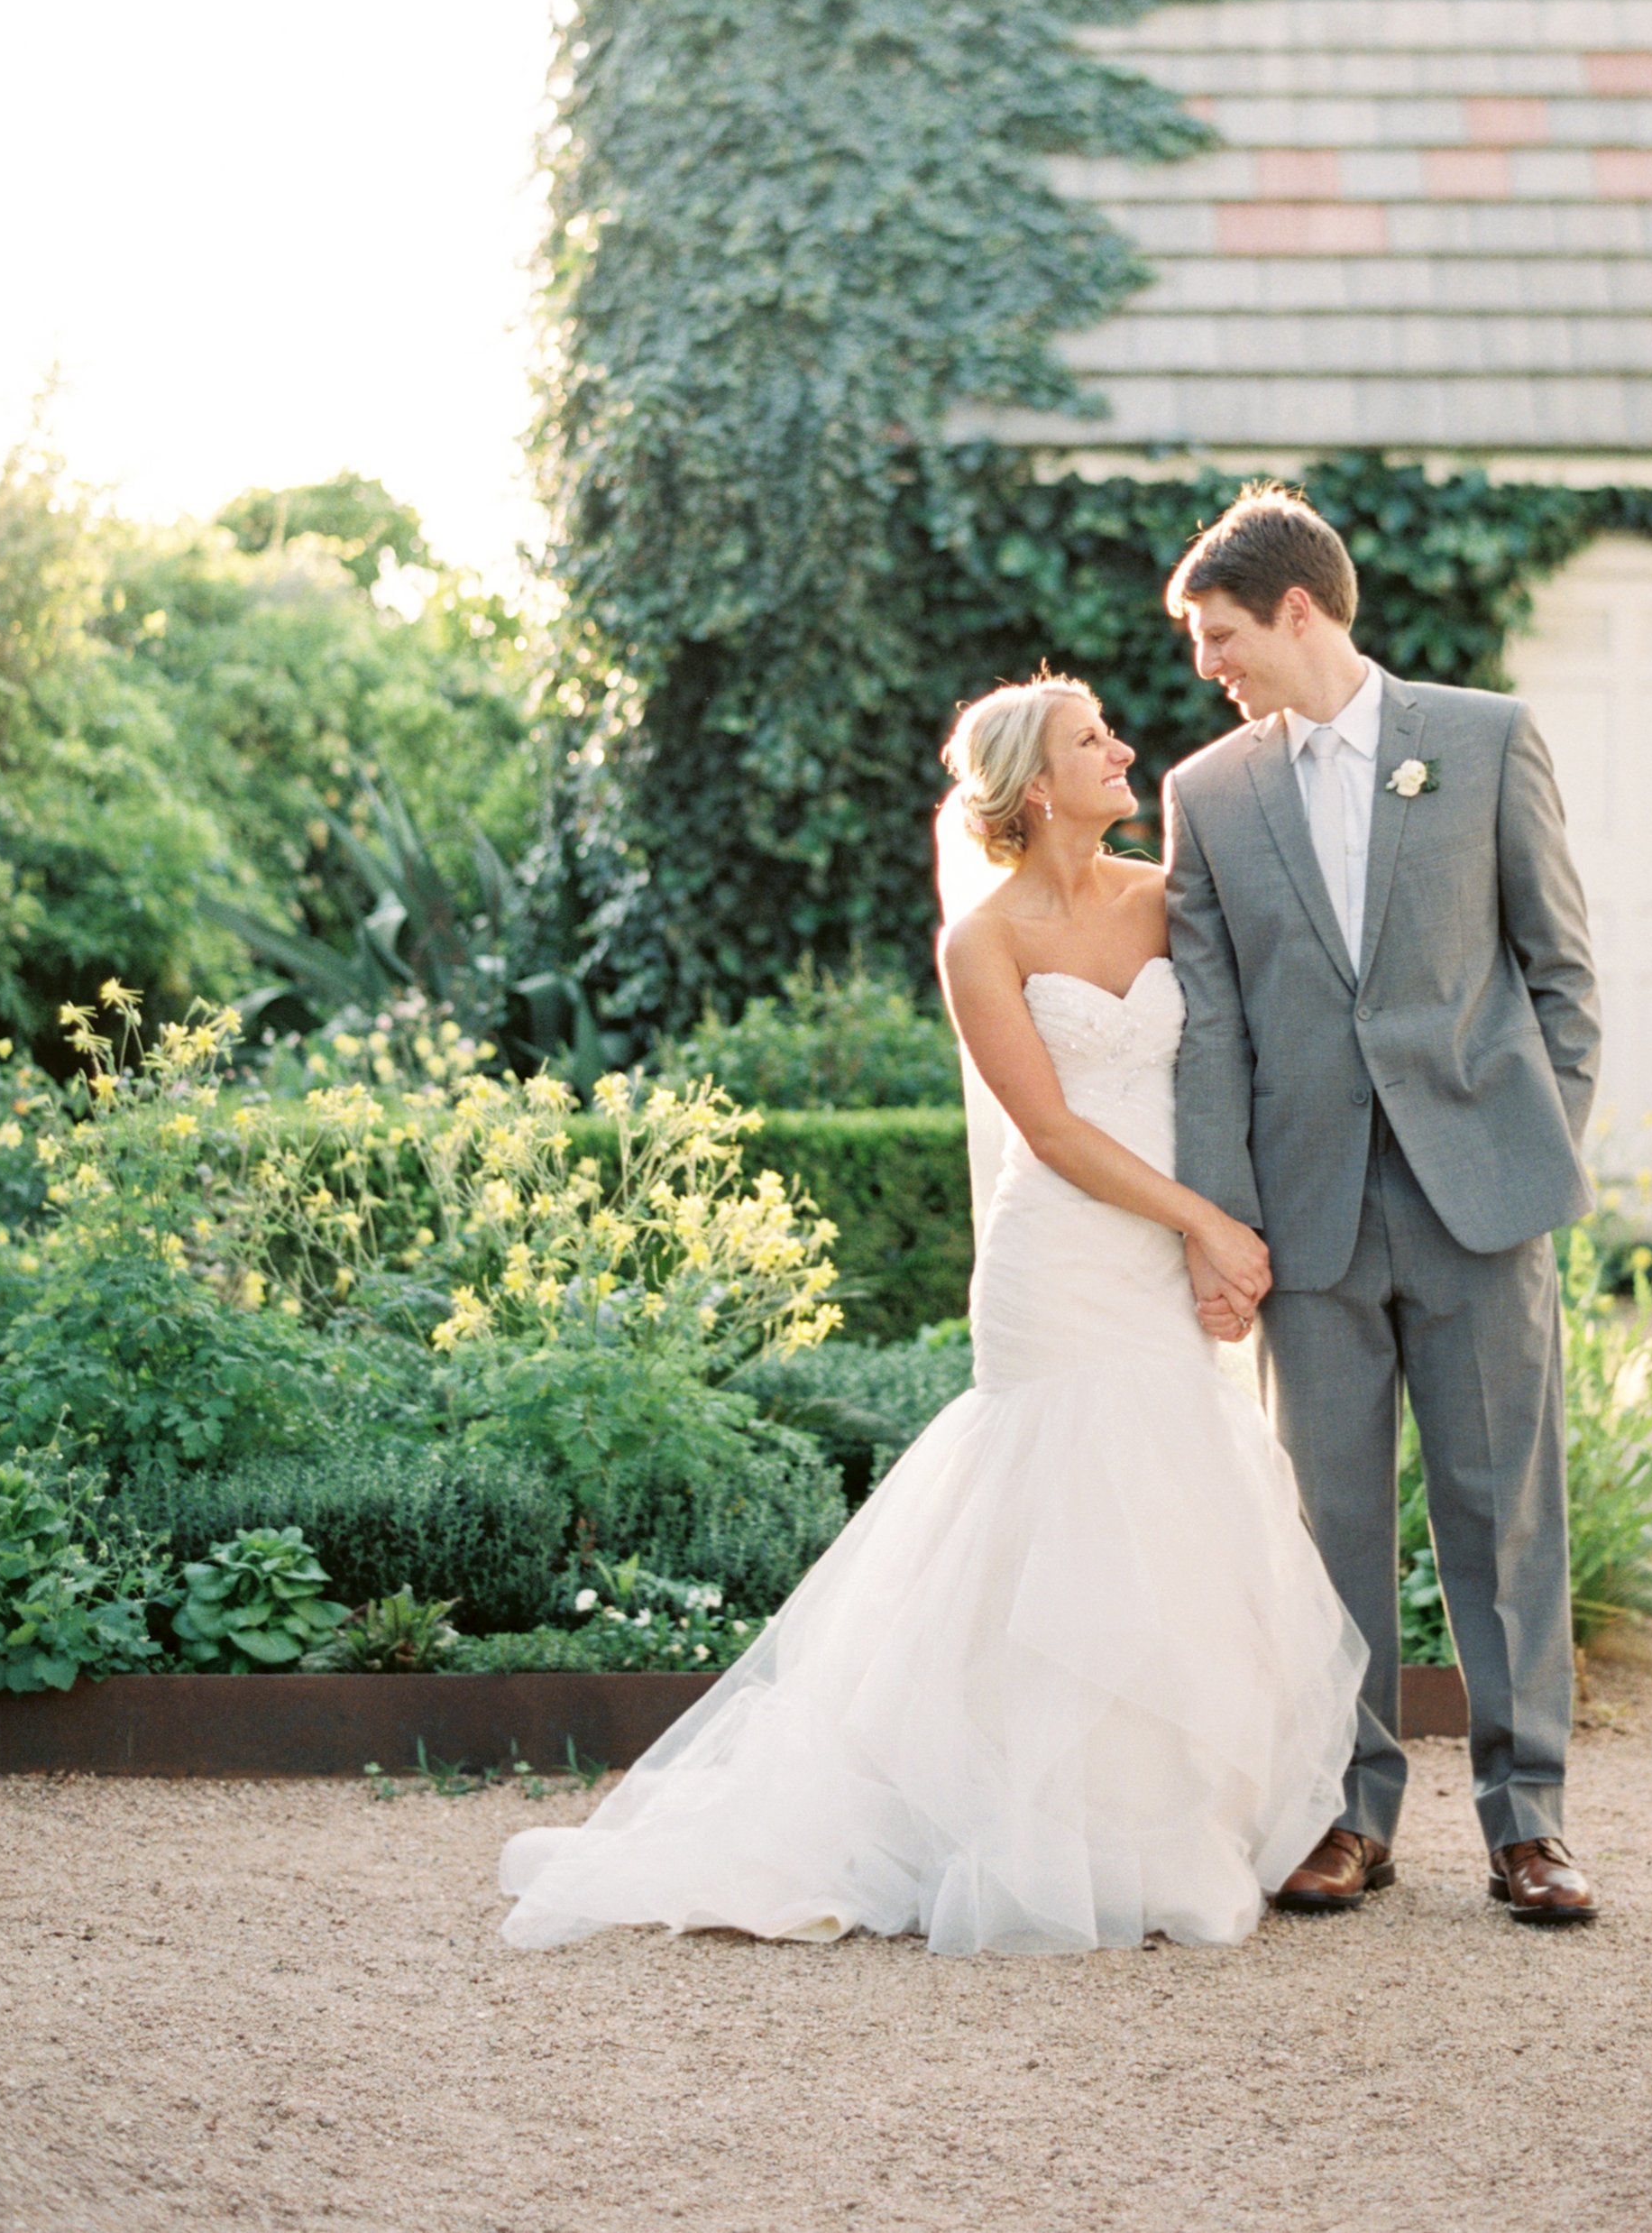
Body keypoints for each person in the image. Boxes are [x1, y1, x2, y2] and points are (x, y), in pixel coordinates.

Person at [495, 675, 1364, 1958]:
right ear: (1030, 787)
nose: (1123, 748)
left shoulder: (1171, 894)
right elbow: (1055, 1129)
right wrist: (1201, 1221)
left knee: (1170, 1510)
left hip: (1175, 1245)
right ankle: (1032, 1829)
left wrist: (1227, 1223)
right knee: (1060, 1512)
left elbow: (1234, 1058)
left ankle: (1161, 1822)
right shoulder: (985, 941)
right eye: (1091, 739)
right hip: (1063, 1261)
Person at [1163, 484, 1604, 1927]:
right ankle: (1349, 1815)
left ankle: (1525, 1822)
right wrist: (1225, 1225)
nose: (1205, 664)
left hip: (1483, 1211)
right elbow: (1213, 1030)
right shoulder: (1208, 794)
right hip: (1311, 1225)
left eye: (1221, 634)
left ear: (1300, 609)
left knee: (1505, 1524)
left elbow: (1561, 975)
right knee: (1326, 1528)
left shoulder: (1482, 741)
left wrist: (1534, 1151)